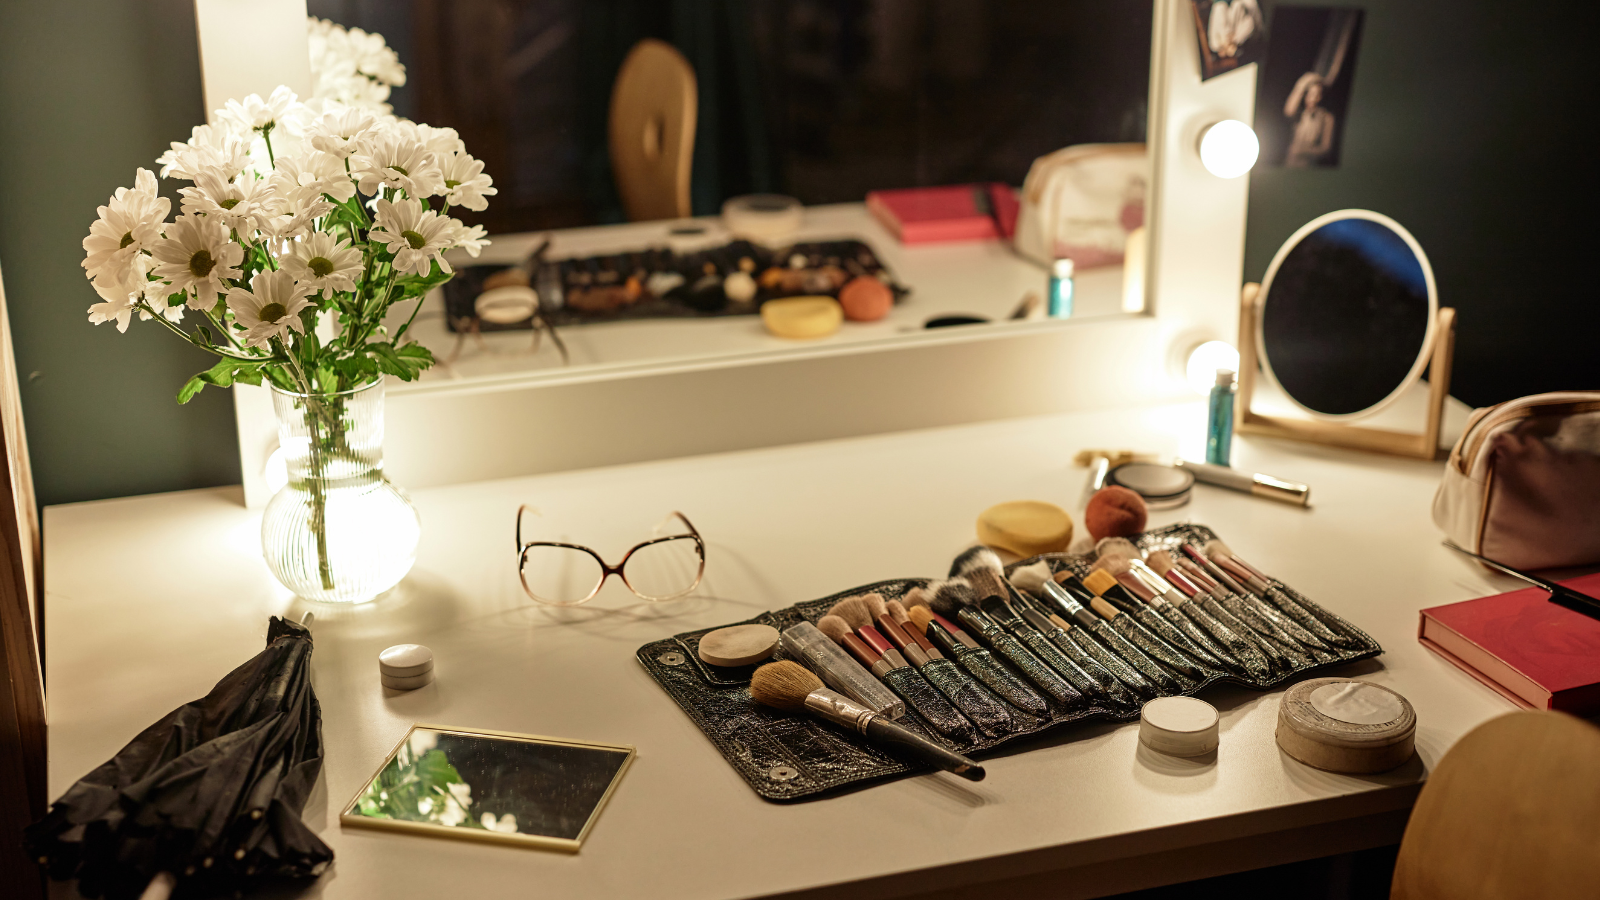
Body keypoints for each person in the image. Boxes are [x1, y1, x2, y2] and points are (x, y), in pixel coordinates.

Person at [1284, 71, 1336, 167]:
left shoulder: (1327, 118)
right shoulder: (1300, 114)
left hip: (1311, 166)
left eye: (1317, 95)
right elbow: (1289, 110)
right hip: (1291, 164)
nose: (1313, 99)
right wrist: (1304, 81)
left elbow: (1326, 148)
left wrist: (1302, 151)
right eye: (1310, 94)